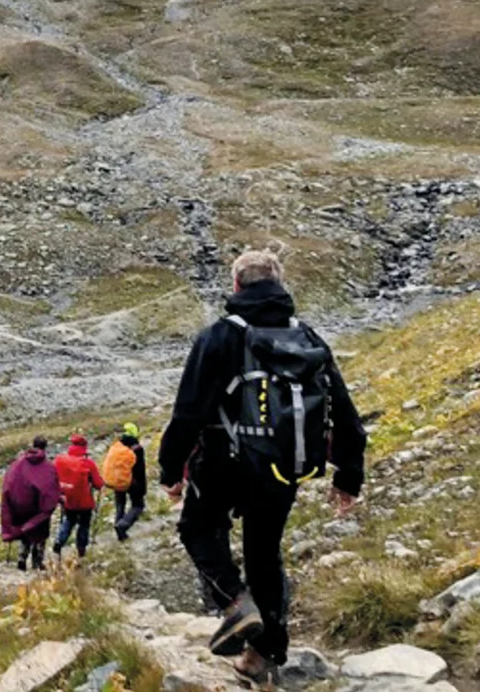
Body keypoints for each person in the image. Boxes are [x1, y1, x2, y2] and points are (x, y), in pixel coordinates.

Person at [160, 250, 366, 688]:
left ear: (236, 285)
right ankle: (264, 655)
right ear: (280, 283)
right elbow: (342, 410)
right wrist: (348, 474)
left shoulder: (220, 337)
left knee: (198, 529)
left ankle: (235, 603)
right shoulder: (306, 337)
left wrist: (170, 469)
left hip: (221, 463)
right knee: (264, 554)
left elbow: (188, 413)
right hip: (280, 469)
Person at [0, 436, 62, 571]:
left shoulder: (18, 464)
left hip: (21, 506)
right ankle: (38, 560)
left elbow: (10, 481)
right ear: (45, 447)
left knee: (25, 531)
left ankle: (22, 557)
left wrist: (11, 502)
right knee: (40, 532)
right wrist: (57, 499)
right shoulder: (48, 467)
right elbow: (50, 487)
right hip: (39, 507)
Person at [52, 433, 104, 562]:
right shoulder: (88, 463)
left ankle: (59, 542)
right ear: (84, 447)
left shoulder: (59, 460)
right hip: (84, 501)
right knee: (84, 526)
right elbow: (98, 483)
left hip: (67, 498)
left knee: (68, 521)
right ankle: (81, 551)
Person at [105, 422, 148, 541]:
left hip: (118, 480)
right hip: (133, 482)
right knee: (138, 505)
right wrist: (142, 488)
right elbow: (140, 470)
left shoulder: (117, 446)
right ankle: (123, 525)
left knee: (120, 504)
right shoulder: (137, 449)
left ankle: (119, 529)